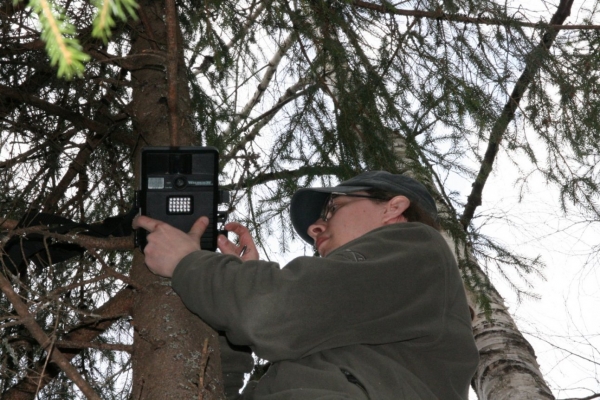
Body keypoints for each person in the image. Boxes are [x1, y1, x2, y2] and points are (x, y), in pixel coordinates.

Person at [133, 171, 479, 399]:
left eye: (331, 209)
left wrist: (189, 264)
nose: (315, 229)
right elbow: (211, 385)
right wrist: (227, 302)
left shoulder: (417, 247)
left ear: (393, 208)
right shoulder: (357, 324)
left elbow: (278, 311)